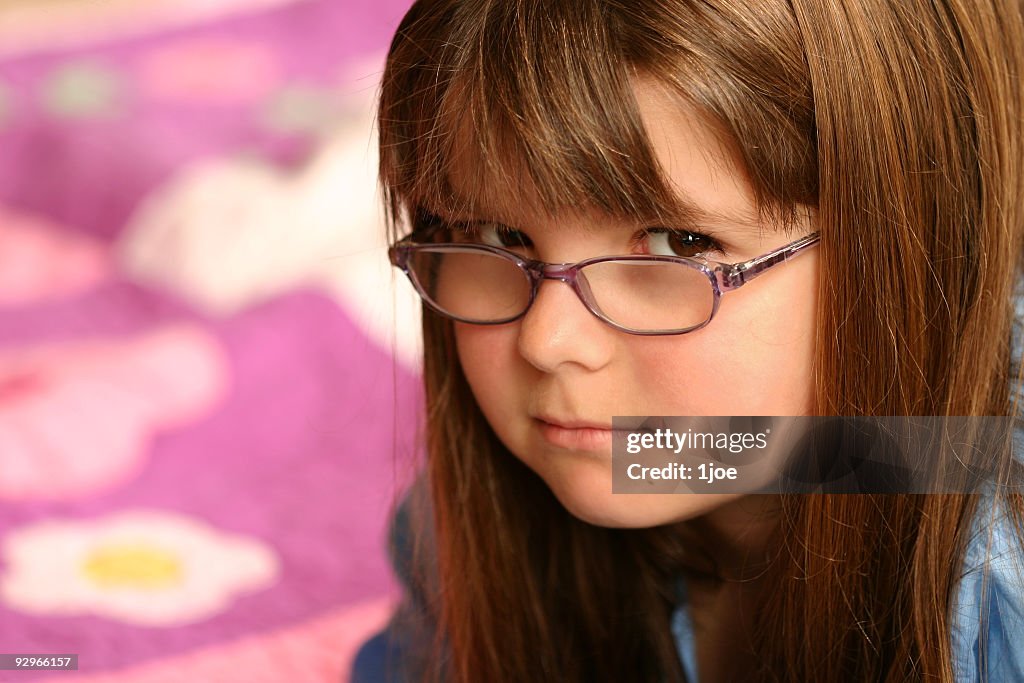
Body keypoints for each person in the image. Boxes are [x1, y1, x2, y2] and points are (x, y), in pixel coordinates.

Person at [352, 0, 1024, 680]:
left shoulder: (998, 588)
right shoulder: (472, 524)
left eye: (679, 244)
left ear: (912, 242)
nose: (547, 341)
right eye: (496, 235)